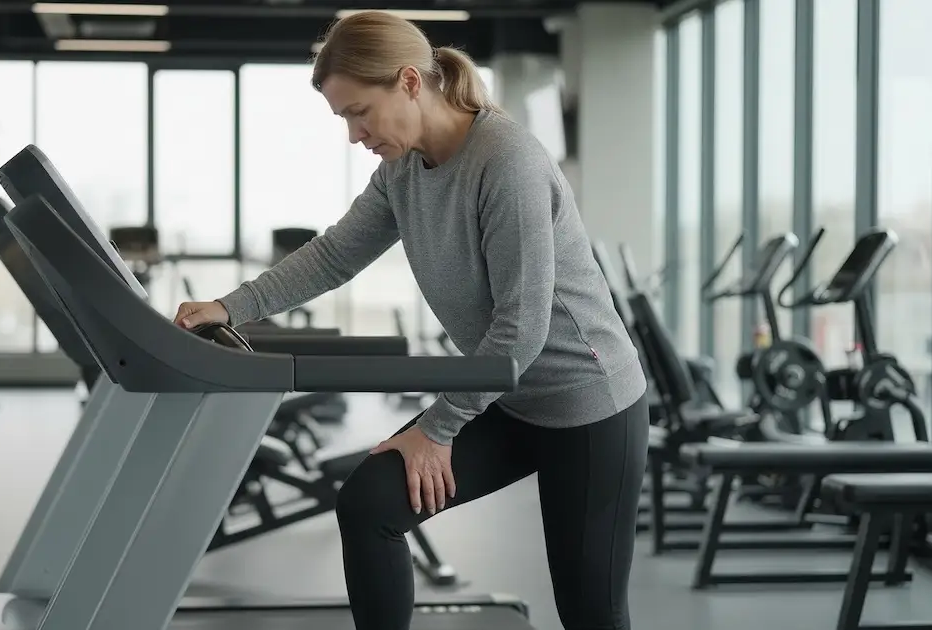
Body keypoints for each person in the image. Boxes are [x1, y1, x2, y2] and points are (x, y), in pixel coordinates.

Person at [174, 10, 649, 630]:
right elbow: (334, 255)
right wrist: (229, 307)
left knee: (590, 613)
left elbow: (522, 328)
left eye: (359, 112)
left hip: (587, 405)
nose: (354, 134)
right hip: (508, 399)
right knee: (370, 503)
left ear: (407, 82)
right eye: (344, 119)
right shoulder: (400, 170)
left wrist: (438, 428)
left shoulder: (507, 162)